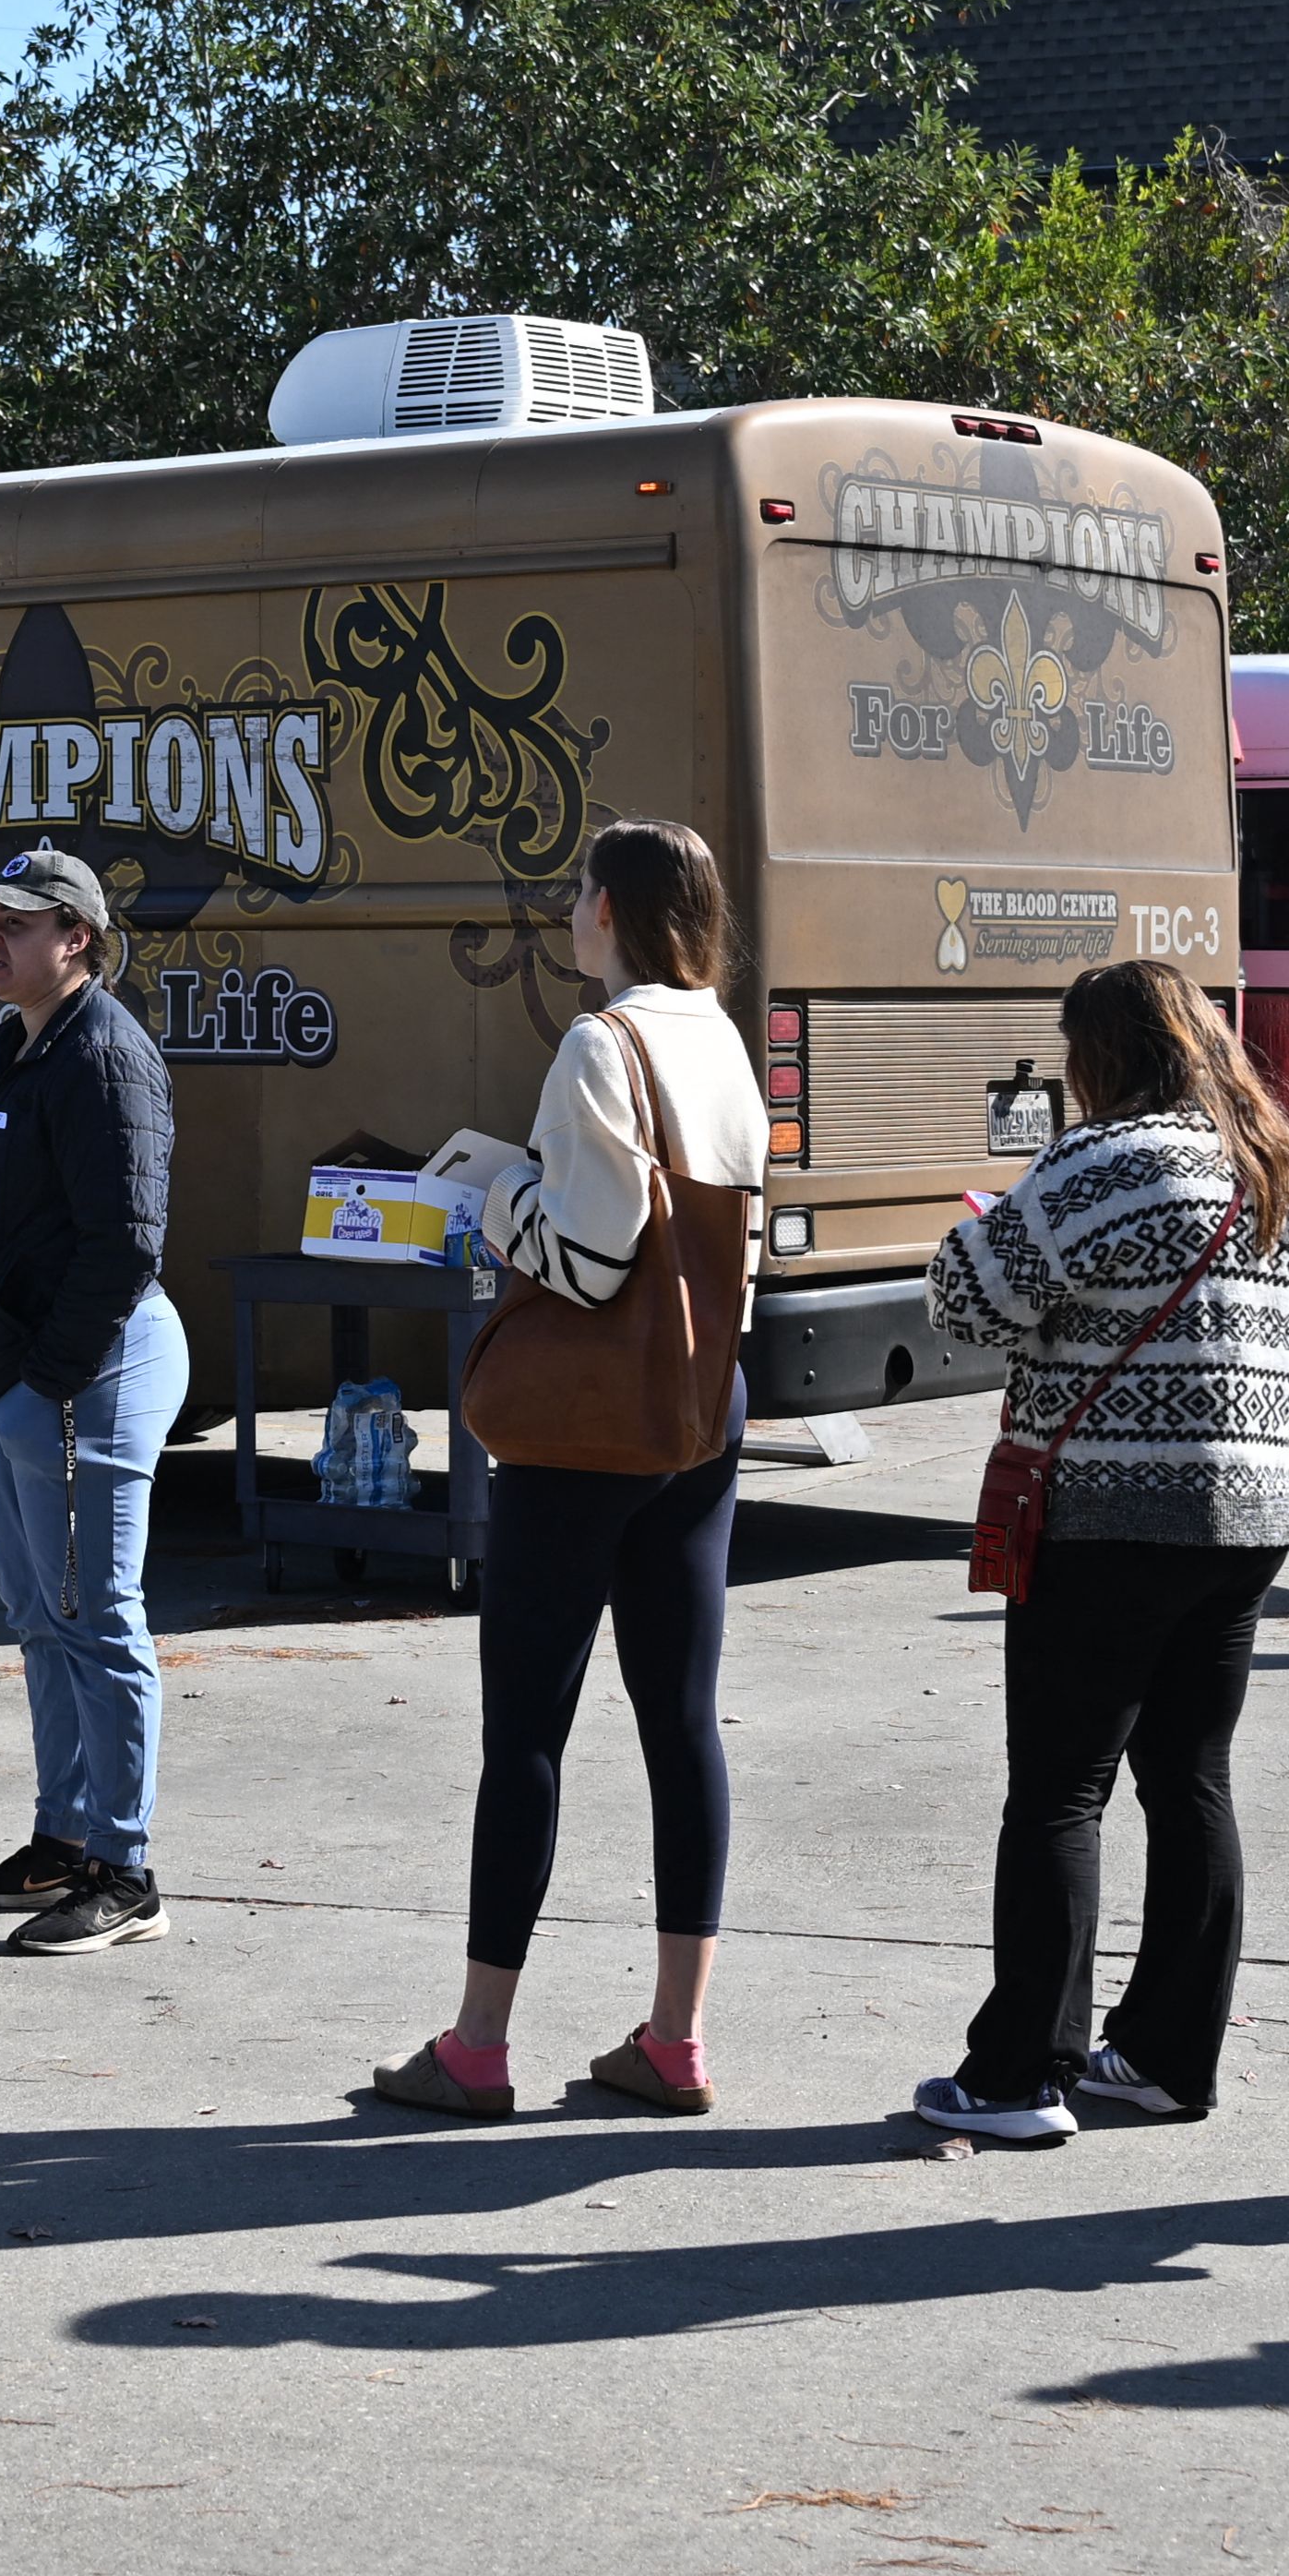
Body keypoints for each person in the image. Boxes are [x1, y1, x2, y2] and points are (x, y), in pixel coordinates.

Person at [372, 817, 768, 2124]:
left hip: (584, 1426)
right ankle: (676, 2037)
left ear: (608, 911)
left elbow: (591, 1259)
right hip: (703, 1404)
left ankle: (478, 2042)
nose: (570, 911)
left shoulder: (601, 1044)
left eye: (578, 893)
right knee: (681, 1723)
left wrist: (497, 1198)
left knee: (526, 1732)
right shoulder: (718, 1034)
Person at [901, 959, 1289, 2144]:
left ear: (1103, 1055)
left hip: (1104, 1515)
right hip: (1247, 1512)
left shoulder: (1105, 1159)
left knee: (1058, 1791)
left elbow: (965, 1297)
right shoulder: (1276, 1168)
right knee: (1190, 1783)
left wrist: (979, 1231)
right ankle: (1165, 2058)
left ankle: (1019, 2073)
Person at [0, 844, 182, 1959]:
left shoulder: (103, 1057)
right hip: (8, 1387)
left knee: (99, 1622)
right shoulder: (25, 1051)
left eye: (18, 921)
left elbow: (126, 1241)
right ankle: (62, 1839)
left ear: (76, 937)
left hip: (85, 1382)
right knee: (44, 1624)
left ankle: (125, 1871)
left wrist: (44, 1383)